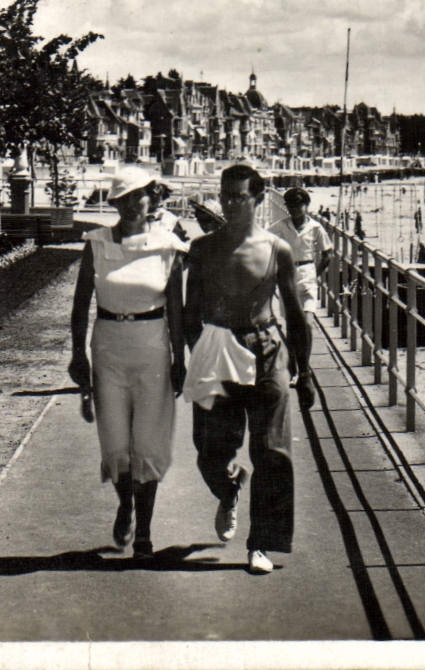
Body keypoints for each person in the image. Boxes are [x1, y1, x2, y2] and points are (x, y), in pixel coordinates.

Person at [182, 164, 315, 576]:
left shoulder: (278, 249)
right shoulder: (202, 249)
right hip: (218, 348)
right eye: (225, 195)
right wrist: (197, 354)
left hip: (266, 350)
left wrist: (304, 371)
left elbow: (295, 314)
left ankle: (262, 544)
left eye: (240, 196)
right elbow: (189, 314)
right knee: (209, 452)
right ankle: (229, 488)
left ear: (259, 200)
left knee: (273, 452)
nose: (230, 203)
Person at [68, 166, 187, 560]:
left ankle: (145, 534)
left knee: (147, 443)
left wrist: (179, 358)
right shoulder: (97, 244)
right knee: (115, 442)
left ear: (153, 198)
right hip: (108, 350)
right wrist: (76, 354)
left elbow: (176, 308)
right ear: (116, 203)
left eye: (142, 195)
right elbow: (81, 303)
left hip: (152, 349)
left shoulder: (167, 245)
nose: (136, 204)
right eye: (127, 198)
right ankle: (126, 503)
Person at [270, 186, 328, 316]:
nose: (294, 209)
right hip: (287, 274)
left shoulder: (315, 227)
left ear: (306, 205)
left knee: (308, 316)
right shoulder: (281, 225)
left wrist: (315, 274)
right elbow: (263, 238)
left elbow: (327, 254)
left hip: (307, 273)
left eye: (298, 205)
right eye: (290, 206)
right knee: (291, 321)